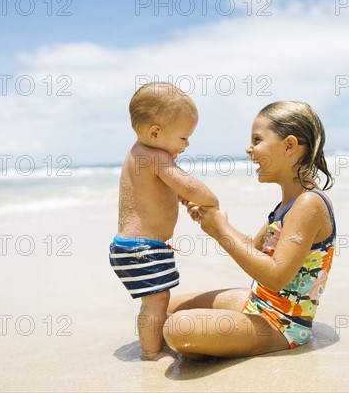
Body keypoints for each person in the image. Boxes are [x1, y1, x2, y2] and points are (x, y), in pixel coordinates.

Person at [163, 100, 336, 359]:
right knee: (159, 307)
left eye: (257, 140)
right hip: (256, 302)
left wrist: (221, 231)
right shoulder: (287, 204)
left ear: (289, 145)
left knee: (178, 327)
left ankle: (208, 345)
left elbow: (276, 276)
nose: (248, 149)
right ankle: (209, 346)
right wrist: (214, 221)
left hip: (281, 325)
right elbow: (255, 250)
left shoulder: (309, 203)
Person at [110, 82, 219, 360]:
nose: (187, 144)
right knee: (156, 302)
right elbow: (188, 185)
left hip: (133, 246)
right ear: (155, 133)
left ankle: (154, 344)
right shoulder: (157, 157)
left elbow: (167, 191)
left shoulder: (139, 154)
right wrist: (209, 200)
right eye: (183, 138)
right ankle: (151, 352)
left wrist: (183, 201)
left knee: (157, 299)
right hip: (143, 248)